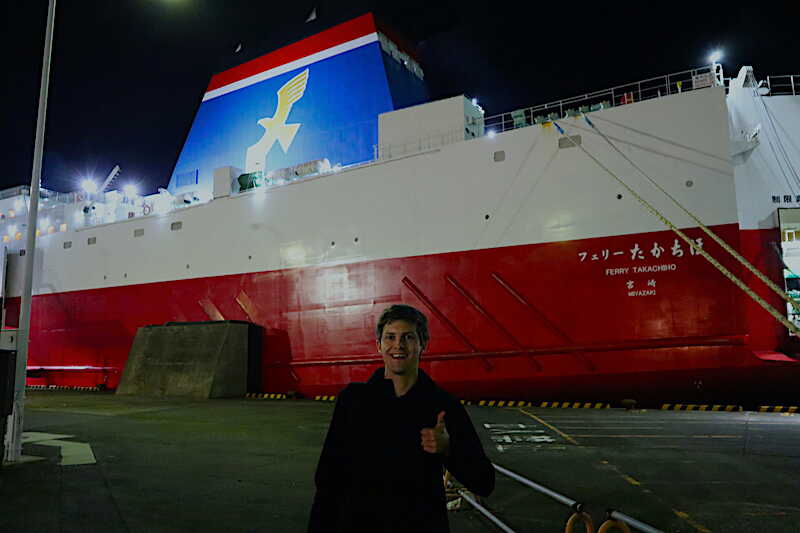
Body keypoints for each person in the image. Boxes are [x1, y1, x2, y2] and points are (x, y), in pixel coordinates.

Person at [308, 304, 495, 533]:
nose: (398, 345)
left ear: (423, 344)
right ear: (379, 345)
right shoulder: (353, 401)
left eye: (408, 337)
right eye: (390, 337)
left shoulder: (443, 406)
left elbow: (484, 482)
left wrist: (448, 449)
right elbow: (327, 478)